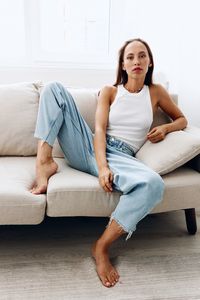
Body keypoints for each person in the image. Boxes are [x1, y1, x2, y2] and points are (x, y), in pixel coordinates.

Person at [30, 38, 187, 288]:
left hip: (124, 158)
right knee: (54, 88)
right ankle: (44, 163)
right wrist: (102, 167)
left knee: (153, 184)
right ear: (123, 65)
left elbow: (182, 120)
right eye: (130, 57)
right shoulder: (110, 91)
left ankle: (101, 246)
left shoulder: (156, 92)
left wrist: (166, 128)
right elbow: (100, 130)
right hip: (91, 146)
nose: (136, 61)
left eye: (142, 56)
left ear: (150, 61)